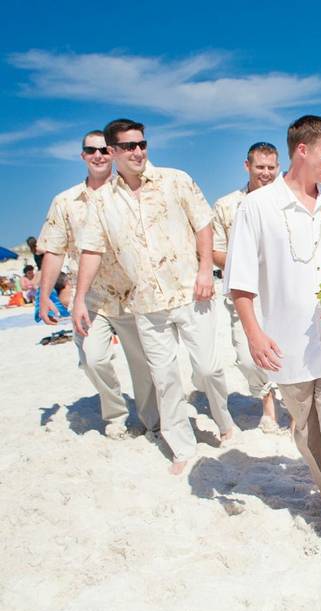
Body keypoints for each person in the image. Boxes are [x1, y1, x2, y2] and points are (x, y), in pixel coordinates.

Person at [226, 115, 321, 563]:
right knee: (309, 439)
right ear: (302, 151)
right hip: (287, 348)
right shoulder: (257, 207)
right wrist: (253, 333)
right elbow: (241, 282)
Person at [74, 118, 236, 475]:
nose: (138, 151)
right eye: (129, 146)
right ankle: (181, 445)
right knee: (164, 377)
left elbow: (203, 224)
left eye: (142, 144)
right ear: (113, 152)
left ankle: (224, 420)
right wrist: (78, 299)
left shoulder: (176, 180)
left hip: (193, 292)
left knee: (208, 368)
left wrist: (206, 269)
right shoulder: (101, 203)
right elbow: (91, 251)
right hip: (145, 303)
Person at [37, 129, 159, 439]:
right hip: (91, 299)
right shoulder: (66, 202)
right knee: (93, 359)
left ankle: (150, 420)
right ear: (83, 156)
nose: (98, 155)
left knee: (142, 365)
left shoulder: (133, 193)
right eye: (91, 150)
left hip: (133, 295)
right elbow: (53, 249)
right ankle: (115, 414)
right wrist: (44, 296)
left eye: (104, 150)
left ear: (115, 153)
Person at [212, 141, 282, 433]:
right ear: (247, 166)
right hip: (244, 294)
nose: (265, 173)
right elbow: (215, 251)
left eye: (271, 167)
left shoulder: (289, 200)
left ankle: (285, 411)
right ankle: (267, 400)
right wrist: (245, 263)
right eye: (260, 167)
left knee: (287, 351)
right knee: (246, 354)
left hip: (282, 291)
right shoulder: (227, 205)